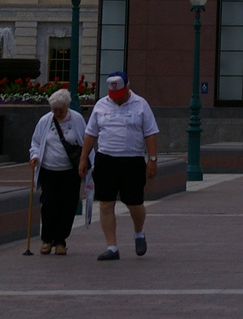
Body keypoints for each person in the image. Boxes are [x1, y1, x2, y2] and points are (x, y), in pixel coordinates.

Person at [79, 71, 159, 261]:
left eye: (120, 94)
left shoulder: (141, 105)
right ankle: (112, 247)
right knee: (106, 203)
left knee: (134, 203)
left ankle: (139, 232)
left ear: (127, 88)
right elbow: (91, 134)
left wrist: (152, 160)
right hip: (106, 159)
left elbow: (151, 134)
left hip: (132, 160)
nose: (116, 99)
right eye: (113, 95)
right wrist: (83, 158)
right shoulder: (101, 105)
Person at [30, 88, 86, 255]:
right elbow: (36, 142)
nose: (57, 114)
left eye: (60, 110)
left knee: (67, 205)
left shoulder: (77, 120)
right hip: (49, 170)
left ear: (67, 107)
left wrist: (85, 163)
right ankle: (47, 240)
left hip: (70, 171)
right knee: (48, 204)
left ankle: (60, 241)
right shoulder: (45, 121)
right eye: (54, 110)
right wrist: (34, 156)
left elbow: (86, 141)